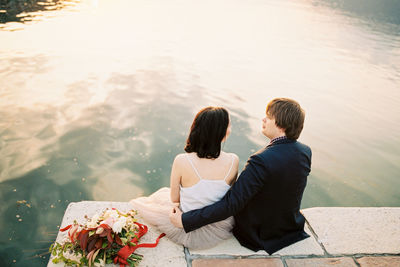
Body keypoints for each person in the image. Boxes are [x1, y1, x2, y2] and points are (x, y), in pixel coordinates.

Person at [170, 98, 312, 254]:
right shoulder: (305, 151)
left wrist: (186, 220)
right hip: (291, 227)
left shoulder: (261, 160)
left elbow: (232, 204)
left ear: (281, 124)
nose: (263, 119)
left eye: (269, 117)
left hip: (260, 235)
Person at [130, 107, 239, 249]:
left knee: (158, 199)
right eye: (228, 125)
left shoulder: (182, 160)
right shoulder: (233, 160)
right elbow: (228, 197)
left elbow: (175, 199)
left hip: (185, 223)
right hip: (217, 225)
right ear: (224, 132)